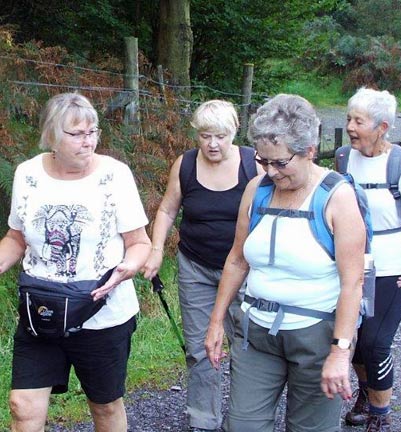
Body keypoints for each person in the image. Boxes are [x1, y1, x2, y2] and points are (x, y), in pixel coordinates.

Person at [204, 94, 365, 432]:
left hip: (317, 335)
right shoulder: (256, 190)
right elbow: (237, 259)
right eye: (264, 161)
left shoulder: (337, 198)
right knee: (243, 426)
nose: (271, 172)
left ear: (309, 150)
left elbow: (353, 283)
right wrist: (216, 321)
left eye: (280, 163)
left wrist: (340, 352)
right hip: (255, 332)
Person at [3, 92, 151, 431]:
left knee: (104, 407)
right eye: (77, 134)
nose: (89, 141)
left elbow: (139, 243)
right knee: (21, 406)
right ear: (53, 135)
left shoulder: (115, 175)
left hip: (101, 312)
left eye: (93, 132)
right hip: (41, 311)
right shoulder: (28, 174)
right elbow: (16, 238)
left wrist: (125, 270)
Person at [142, 100, 262, 431]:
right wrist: (155, 250)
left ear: (235, 132)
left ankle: (243, 417)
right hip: (195, 266)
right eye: (205, 136)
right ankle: (203, 419)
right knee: (199, 345)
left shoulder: (254, 165)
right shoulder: (186, 165)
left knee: (245, 344)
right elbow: (167, 210)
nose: (212, 144)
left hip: (244, 270)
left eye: (220, 136)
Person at [341, 88, 401, 431]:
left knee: (376, 342)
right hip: (351, 262)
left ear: (382, 126)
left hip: (392, 264)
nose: (349, 126)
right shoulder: (343, 158)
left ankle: (380, 414)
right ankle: (366, 392)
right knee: (355, 342)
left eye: (357, 121)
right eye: (349, 118)